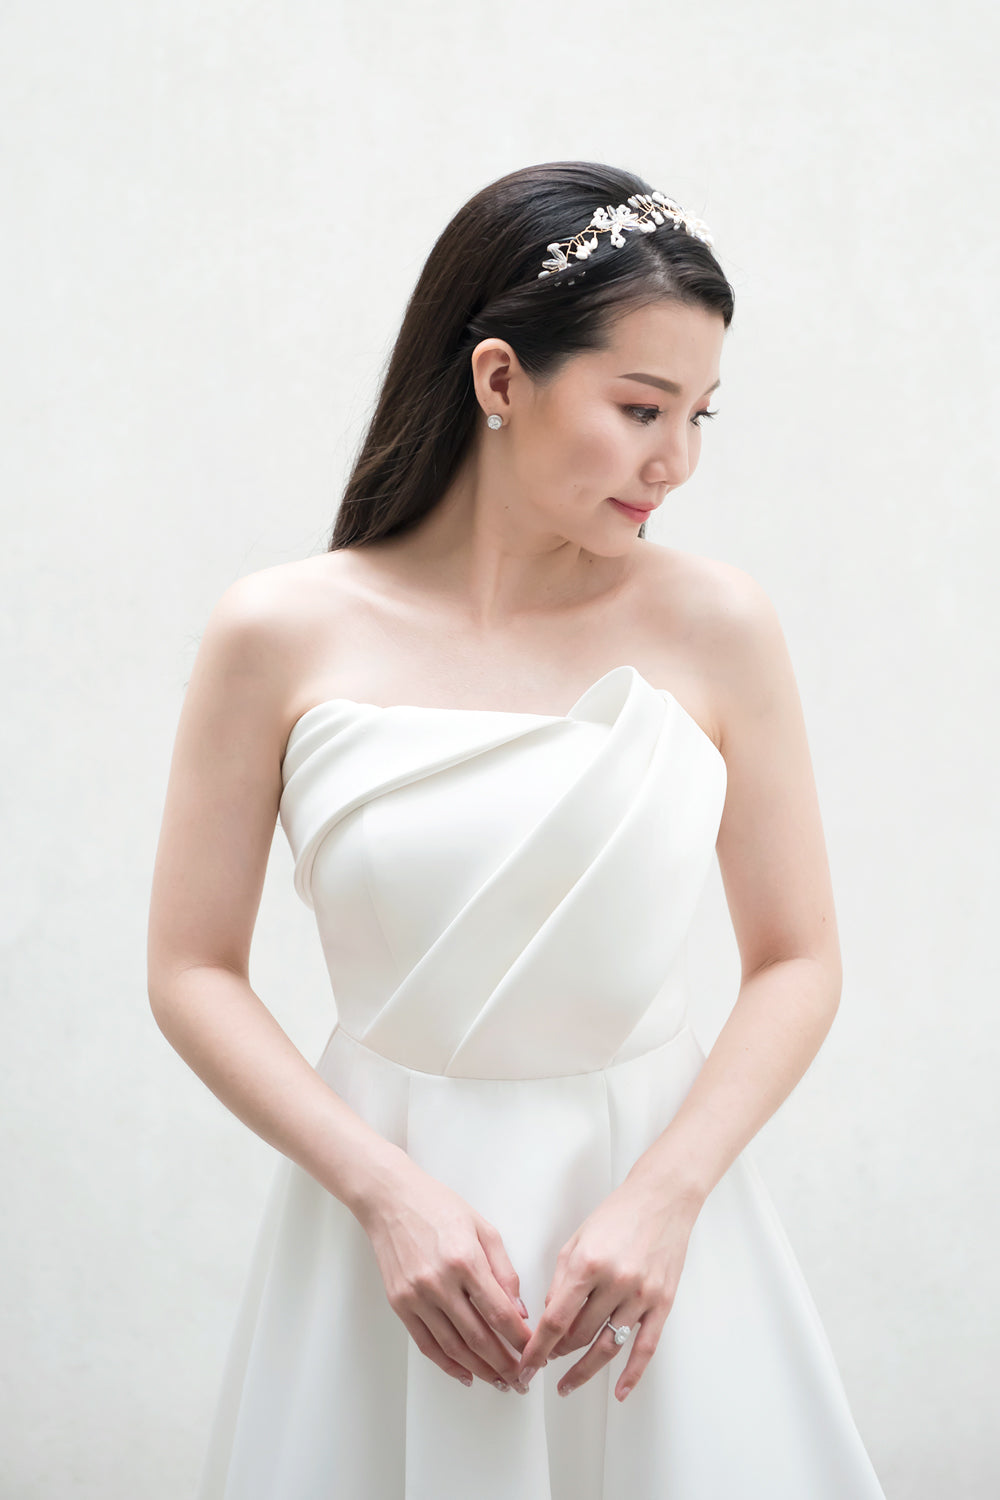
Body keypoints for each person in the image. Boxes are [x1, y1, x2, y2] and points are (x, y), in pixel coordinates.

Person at [147, 160, 887, 1499]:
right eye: (641, 408)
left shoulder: (718, 624)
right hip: (389, 1235)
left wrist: (669, 1197)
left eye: (702, 414)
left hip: (653, 1238)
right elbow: (191, 969)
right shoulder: (277, 632)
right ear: (500, 381)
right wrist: (383, 1192)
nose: (680, 462)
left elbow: (800, 960)